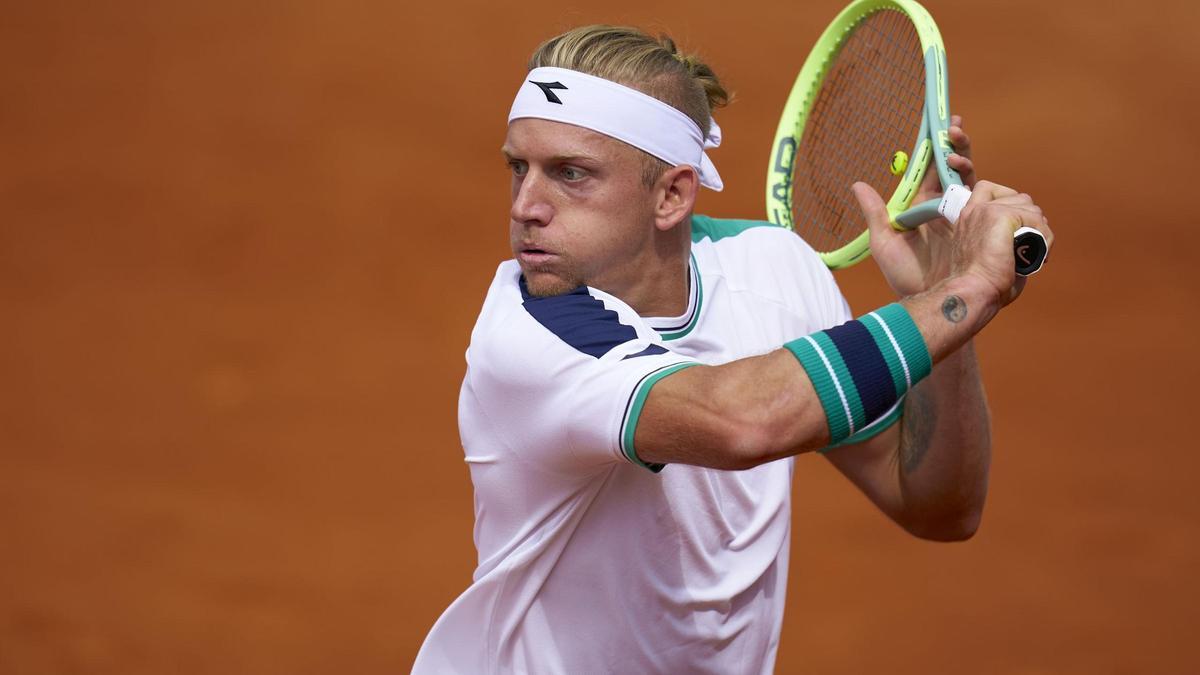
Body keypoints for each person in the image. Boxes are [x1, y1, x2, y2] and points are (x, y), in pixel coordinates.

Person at [412, 24, 1053, 674]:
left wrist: (945, 299)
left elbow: (938, 504)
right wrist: (971, 291)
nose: (526, 204)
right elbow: (742, 420)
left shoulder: (774, 272)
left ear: (671, 195)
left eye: (569, 174)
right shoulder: (530, 331)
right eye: (518, 167)